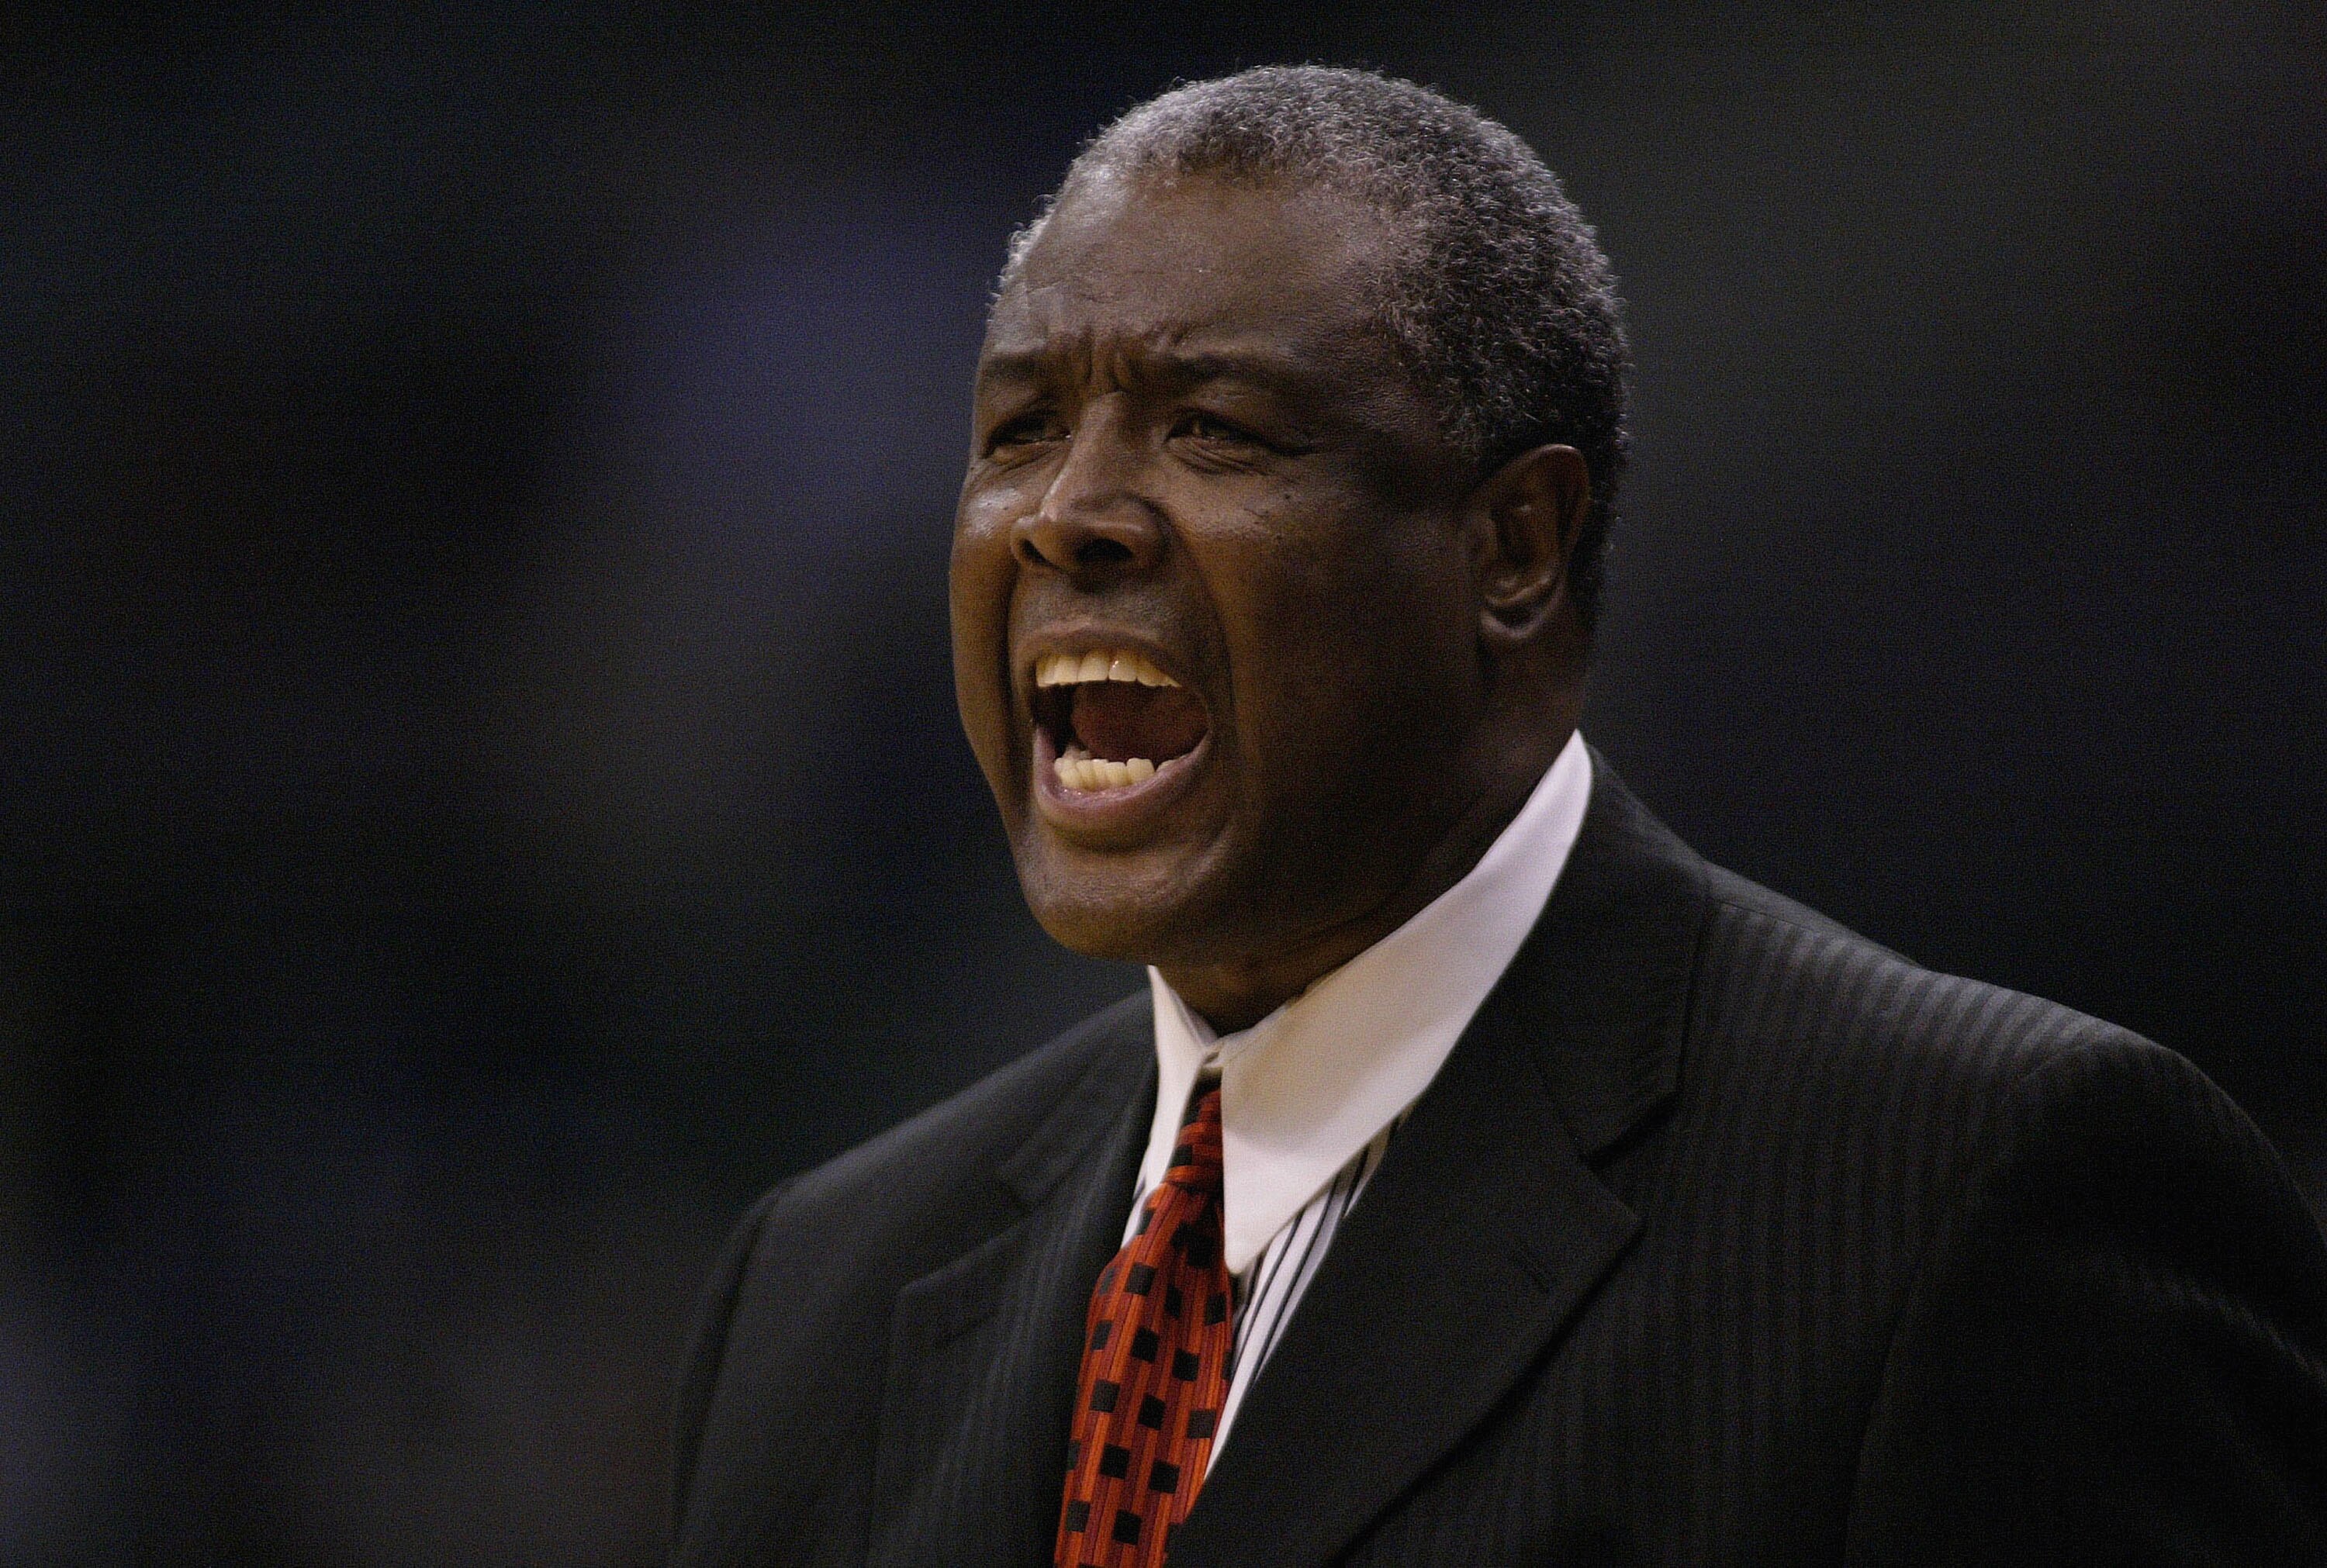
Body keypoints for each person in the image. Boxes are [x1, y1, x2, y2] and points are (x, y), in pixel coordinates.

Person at [668, 67, 2327, 1566]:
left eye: (1214, 429)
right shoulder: (822, 1288)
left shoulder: (1978, 1197)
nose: (1067, 514)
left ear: (1514, 550)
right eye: (1019, 429)